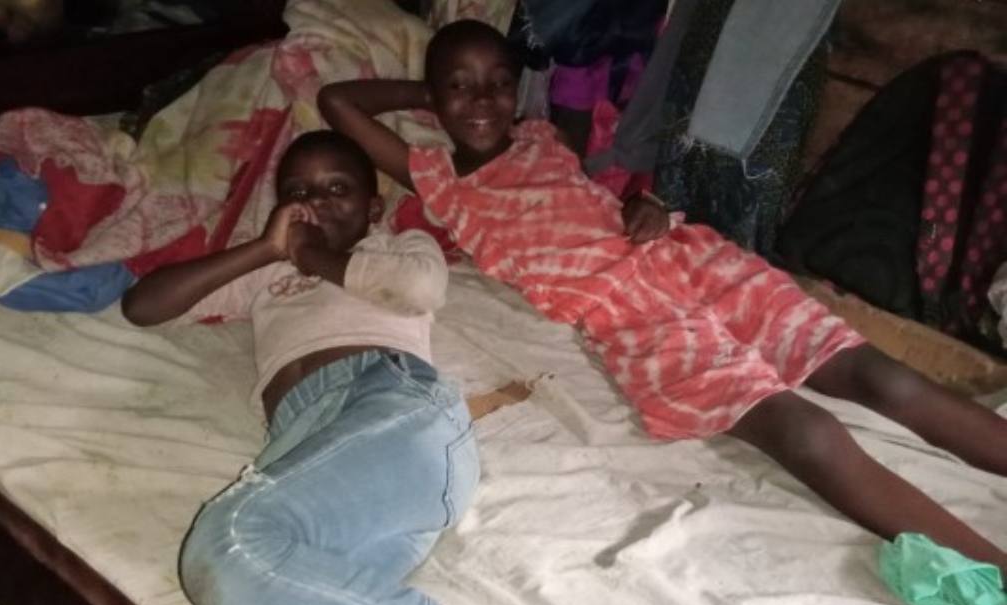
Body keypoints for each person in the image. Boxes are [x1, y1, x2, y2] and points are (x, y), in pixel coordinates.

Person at [317, 19, 1007, 574]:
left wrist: (642, 206)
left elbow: (596, 194)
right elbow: (337, 102)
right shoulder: (441, 180)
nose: (482, 102)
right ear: (435, 97)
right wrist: (428, 91)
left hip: (691, 261)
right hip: (633, 321)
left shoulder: (541, 135)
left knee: (883, 379)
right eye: (460, 88)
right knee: (809, 433)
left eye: (498, 84)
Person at [122, 130, 482, 605]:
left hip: (395, 405)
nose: (317, 201)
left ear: (373, 208)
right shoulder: (267, 273)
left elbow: (419, 288)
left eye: (338, 188)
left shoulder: (395, 247)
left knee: (230, 548)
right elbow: (143, 306)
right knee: (270, 598)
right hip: (316, 448)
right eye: (298, 191)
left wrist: (310, 255)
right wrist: (265, 249)